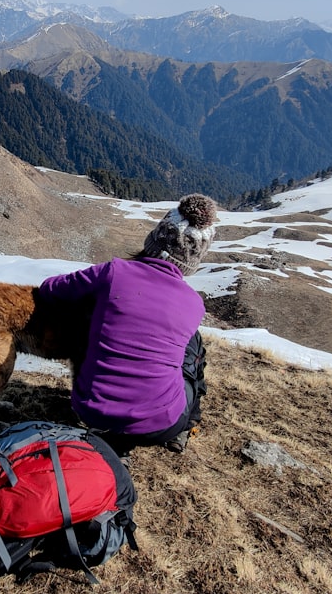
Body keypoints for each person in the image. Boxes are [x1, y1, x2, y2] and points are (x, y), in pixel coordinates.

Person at [37, 193, 216, 458]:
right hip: (160, 425)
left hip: (91, 412)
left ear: (155, 239)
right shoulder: (193, 304)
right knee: (193, 344)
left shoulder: (113, 272)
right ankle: (187, 425)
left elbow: (51, 288)